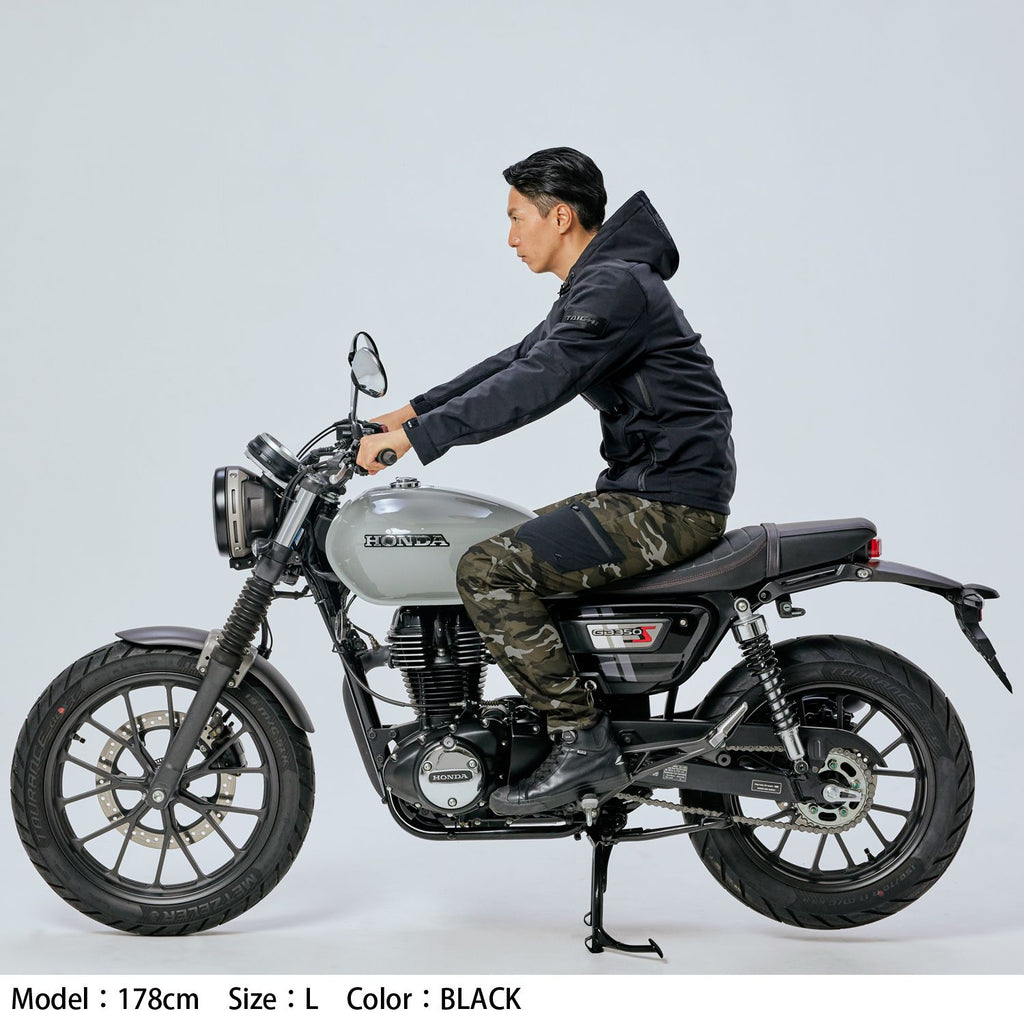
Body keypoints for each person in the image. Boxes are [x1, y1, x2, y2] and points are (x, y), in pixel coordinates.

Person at [357, 147, 736, 816]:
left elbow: (537, 382)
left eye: (516, 217)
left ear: (559, 216)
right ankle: (576, 726)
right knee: (506, 542)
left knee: (489, 570)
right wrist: (409, 413)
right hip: (645, 491)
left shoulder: (615, 287)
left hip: (668, 504)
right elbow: (516, 359)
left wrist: (415, 440)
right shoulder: (599, 284)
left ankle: (582, 739)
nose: (510, 236)